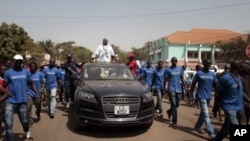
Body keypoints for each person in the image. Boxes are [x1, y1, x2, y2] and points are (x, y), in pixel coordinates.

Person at [2, 54, 39, 140]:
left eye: (20, 61)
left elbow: (32, 83)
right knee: (8, 123)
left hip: (22, 101)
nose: (19, 63)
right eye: (17, 61)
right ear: (13, 62)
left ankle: (26, 130)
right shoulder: (8, 73)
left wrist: (37, 94)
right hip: (10, 101)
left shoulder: (26, 72)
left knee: (25, 121)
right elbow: (4, 85)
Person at [214, 60, 243, 141]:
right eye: (240, 66)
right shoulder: (225, 78)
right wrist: (216, 107)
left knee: (226, 129)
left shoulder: (238, 76)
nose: (241, 67)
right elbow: (218, 94)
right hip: (229, 107)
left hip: (238, 106)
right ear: (236, 68)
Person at [190, 59, 217, 140]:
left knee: (203, 113)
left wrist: (217, 92)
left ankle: (197, 126)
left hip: (209, 96)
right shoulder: (199, 73)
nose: (208, 65)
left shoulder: (212, 74)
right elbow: (193, 84)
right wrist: (191, 94)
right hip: (201, 96)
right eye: (207, 63)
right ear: (204, 64)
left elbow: (216, 84)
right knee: (206, 114)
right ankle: (211, 132)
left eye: (209, 63)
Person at [165, 57, 186, 126]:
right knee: (173, 104)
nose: (174, 62)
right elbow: (165, 79)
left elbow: (182, 78)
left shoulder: (180, 68)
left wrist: (184, 86)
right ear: (171, 61)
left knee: (177, 104)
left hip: (178, 88)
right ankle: (174, 121)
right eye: (173, 61)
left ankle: (169, 111)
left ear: (176, 61)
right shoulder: (168, 69)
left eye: (175, 61)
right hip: (171, 88)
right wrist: (164, 88)